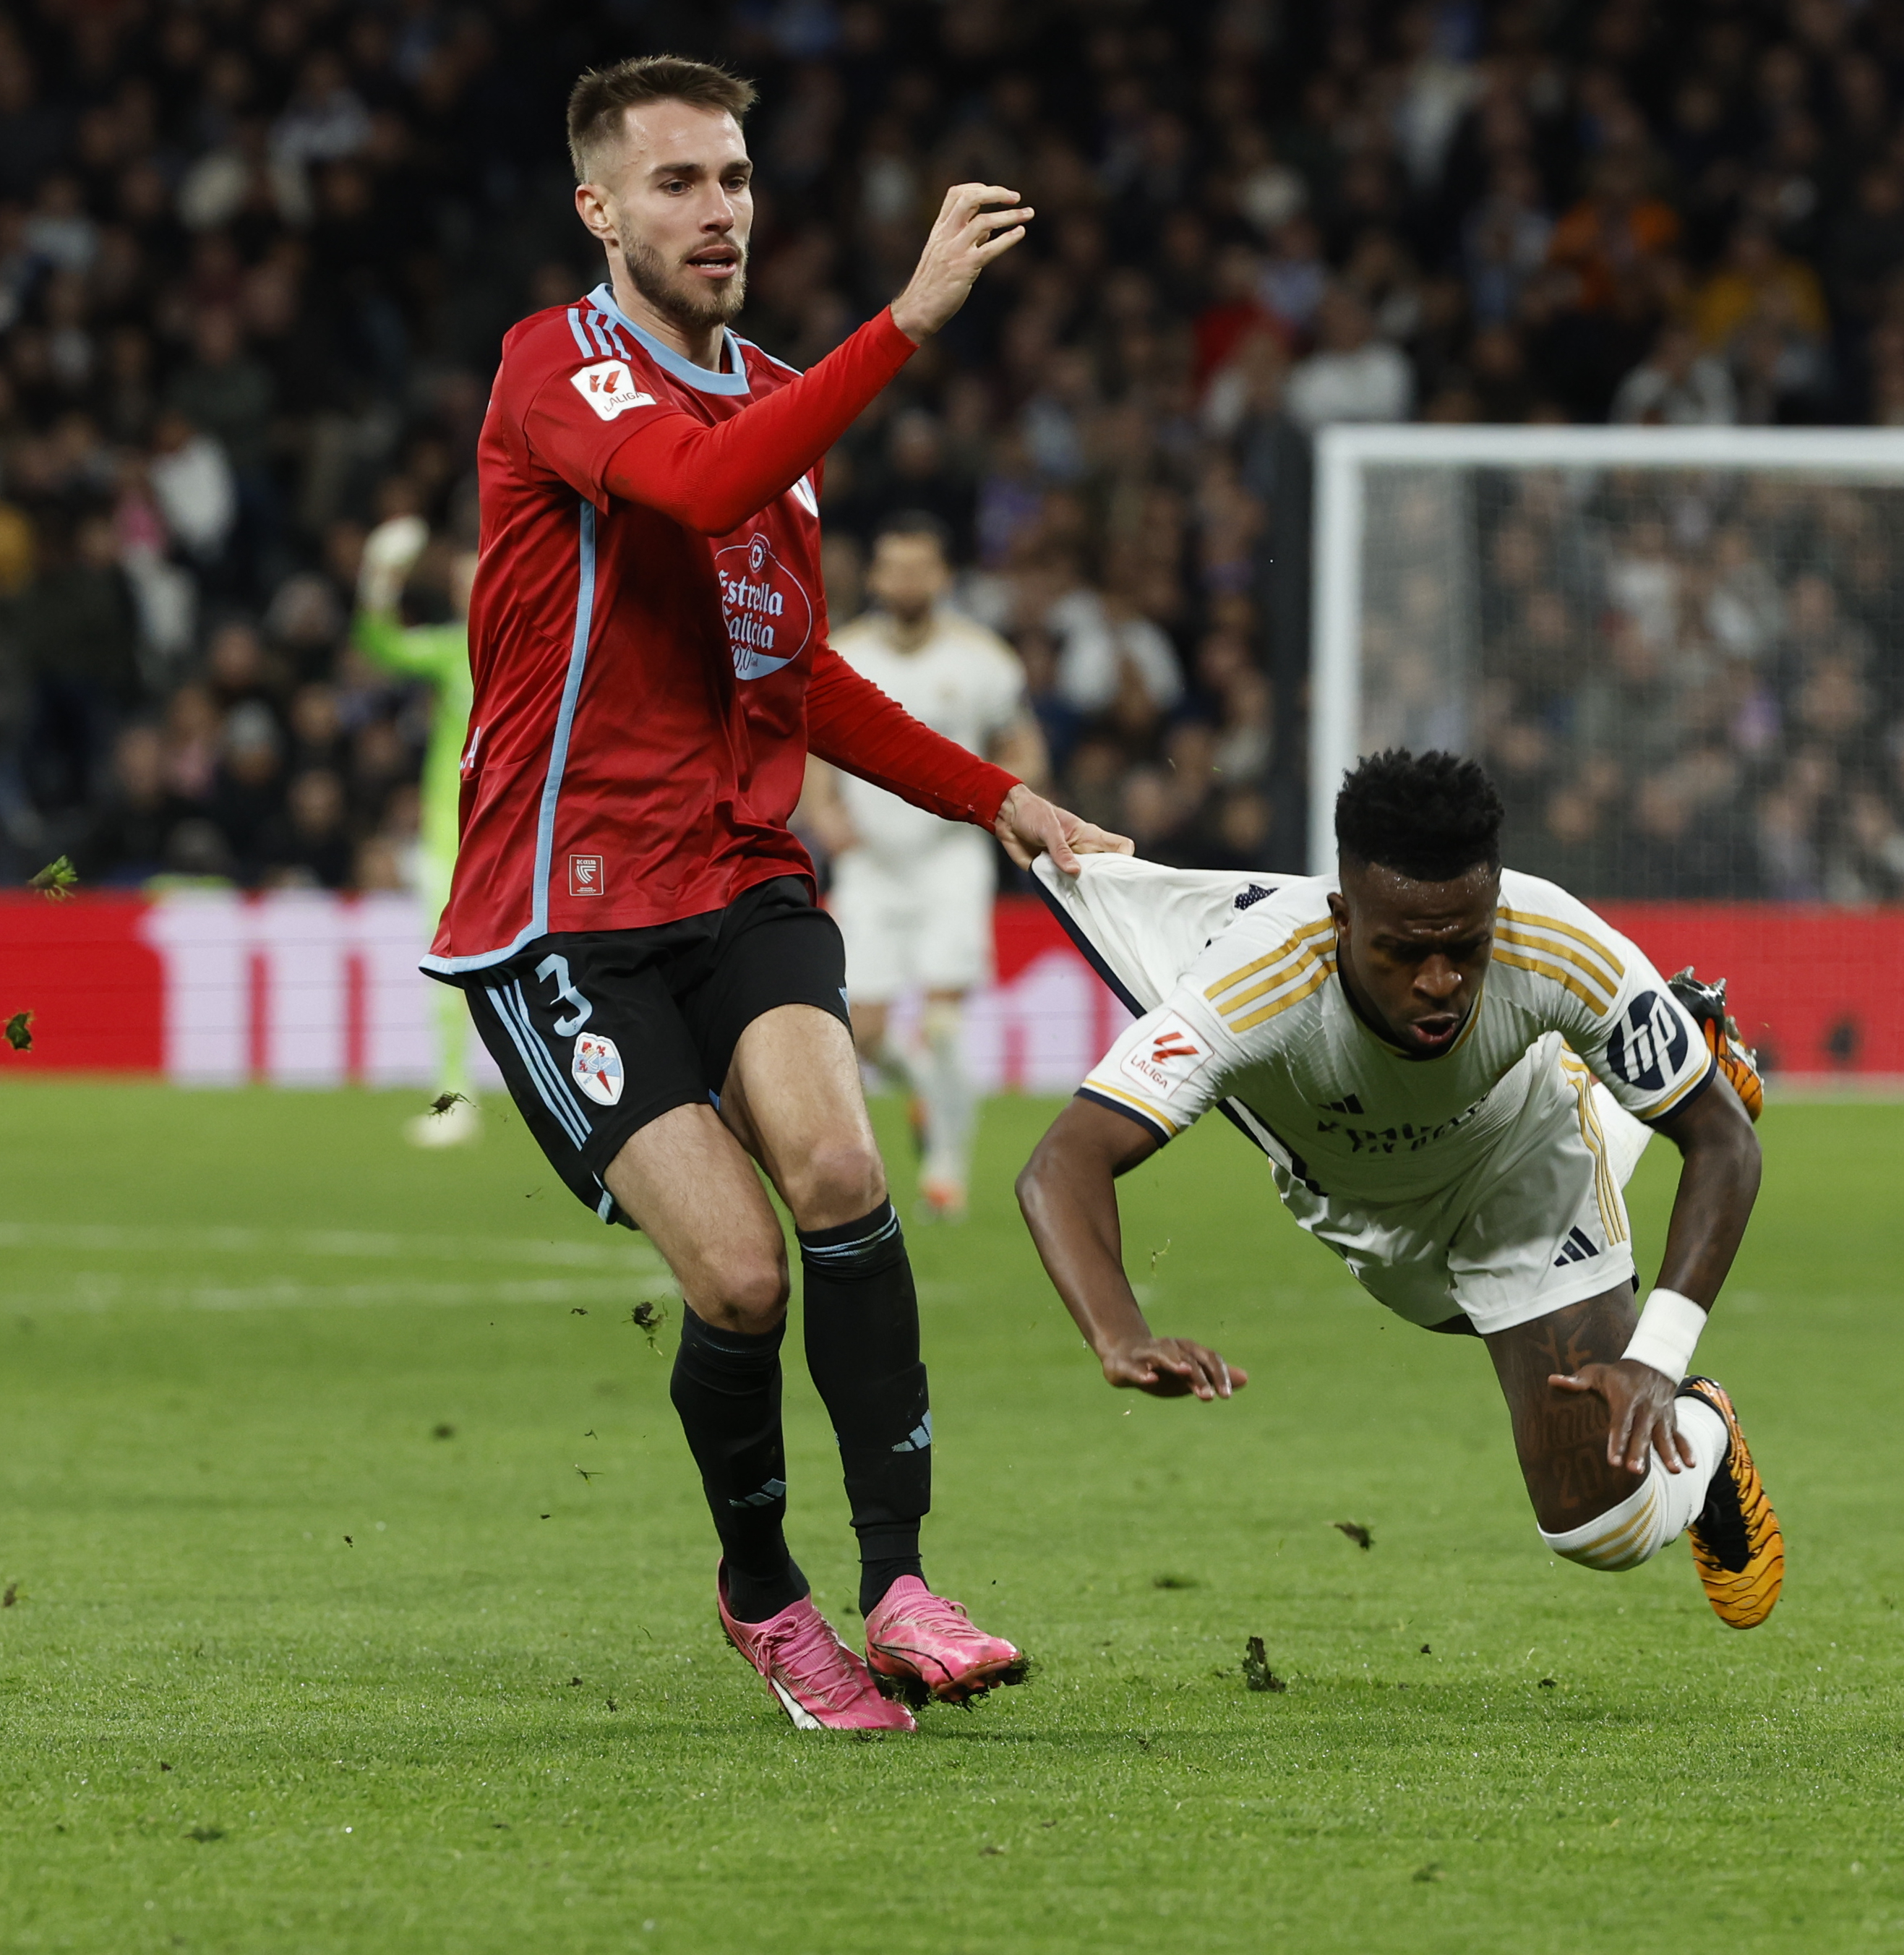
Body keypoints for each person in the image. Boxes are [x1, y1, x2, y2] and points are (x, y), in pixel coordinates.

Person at [421, 55, 1124, 1734]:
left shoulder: (787, 398)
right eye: (676, 183)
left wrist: (998, 795)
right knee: (736, 1277)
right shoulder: (555, 369)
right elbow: (693, 485)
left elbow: (789, 668)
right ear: (600, 209)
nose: (718, 208)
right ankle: (766, 1598)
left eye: (733, 177)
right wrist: (912, 323)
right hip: (563, 905)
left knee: (839, 1166)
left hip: (740, 874)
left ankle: (900, 1582)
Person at [1016, 751, 1784, 1630]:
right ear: (1343, 917)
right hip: (1360, 1205)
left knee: (1600, 1529)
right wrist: (1119, 1335)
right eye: (1403, 950)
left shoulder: (1555, 939)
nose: (1439, 982)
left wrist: (1657, 1359)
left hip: (1520, 1163)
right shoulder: (1257, 979)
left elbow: (1726, 1141)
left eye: (1466, 947)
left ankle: (1707, 1428)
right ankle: (1675, 1062)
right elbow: (1061, 1163)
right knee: (1451, 1309)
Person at [797, 513, 1047, 1218]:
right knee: (867, 1034)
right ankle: (925, 1099)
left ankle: (946, 1167)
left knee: (942, 1021)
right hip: (871, 861)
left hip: (949, 858)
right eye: (894, 568)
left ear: (942, 576)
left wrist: (995, 795)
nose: (906, 581)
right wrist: (823, 812)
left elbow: (1025, 750)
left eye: (919, 567)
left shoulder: (984, 661)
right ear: (875, 577)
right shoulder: (842, 653)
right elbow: (818, 743)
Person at [351, 513, 481, 1145]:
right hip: (448, 835)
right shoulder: (453, 648)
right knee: (447, 971)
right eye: (463, 582)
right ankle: (454, 1097)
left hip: (520, 833)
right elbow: (380, 647)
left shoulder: (540, 646)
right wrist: (378, 582)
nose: (471, 591)